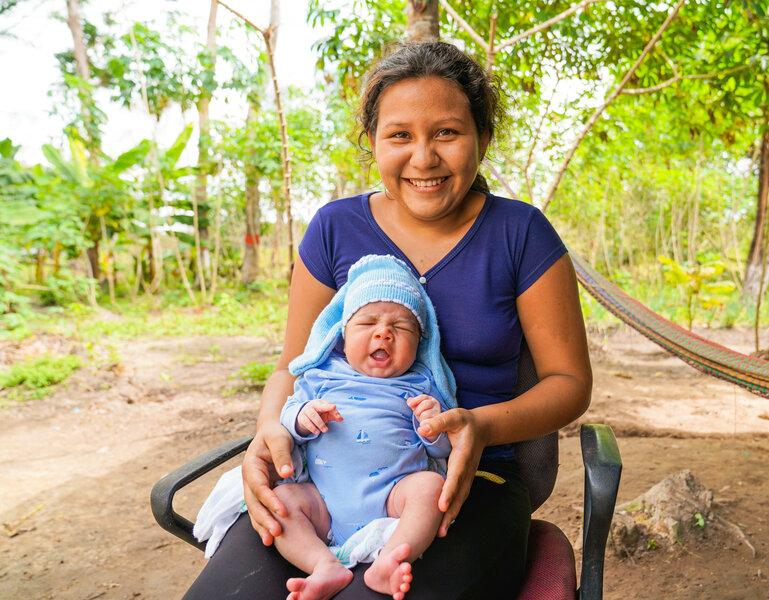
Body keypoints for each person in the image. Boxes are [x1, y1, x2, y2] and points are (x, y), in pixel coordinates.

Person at [183, 41, 592, 600]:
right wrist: (270, 429)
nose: (423, 157)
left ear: (483, 139)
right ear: (373, 143)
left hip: (459, 483)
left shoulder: (520, 234)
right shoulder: (333, 229)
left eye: (446, 132)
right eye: (400, 135)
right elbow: (291, 365)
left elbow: (569, 384)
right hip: (320, 478)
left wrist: (480, 426)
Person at [274, 254, 456, 600]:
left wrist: (433, 425)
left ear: (420, 342)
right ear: (342, 334)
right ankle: (322, 565)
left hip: (393, 499)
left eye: (401, 327)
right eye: (367, 323)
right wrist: (302, 418)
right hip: (322, 501)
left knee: (431, 488)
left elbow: (444, 451)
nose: (383, 333)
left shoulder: (422, 385)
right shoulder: (322, 375)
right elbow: (287, 416)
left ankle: (390, 559)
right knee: (282, 502)